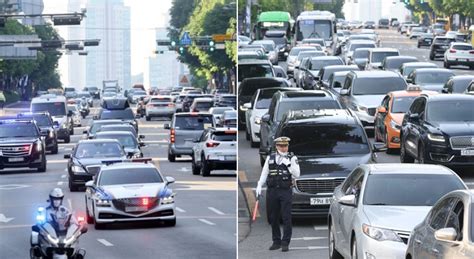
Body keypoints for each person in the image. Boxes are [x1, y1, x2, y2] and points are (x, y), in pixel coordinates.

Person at [256, 136, 300, 252]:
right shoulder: (270, 158)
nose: (283, 148)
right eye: (281, 146)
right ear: (276, 146)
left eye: (285, 146)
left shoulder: (292, 158)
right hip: (272, 191)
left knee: (286, 217)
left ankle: (285, 242)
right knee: (273, 217)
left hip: (285, 191)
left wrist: (289, 165)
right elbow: (265, 172)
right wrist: (259, 185)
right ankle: (276, 241)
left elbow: (297, 174)